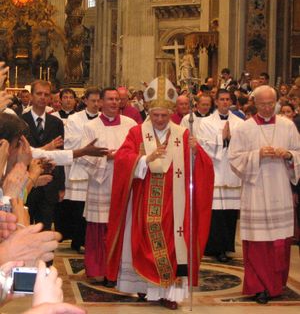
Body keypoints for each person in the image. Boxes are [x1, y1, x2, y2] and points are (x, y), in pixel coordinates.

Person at [106, 76, 214, 309]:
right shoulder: (137, 133)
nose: (160, 120)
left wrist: (196, 153)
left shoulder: (182, 134)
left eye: (164, 116)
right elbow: (122, 160)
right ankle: (146, 288)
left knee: (174, 246)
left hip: (175, 204)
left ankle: (169, 293)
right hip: (144, 199)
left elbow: (202, 168)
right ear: (148, 111)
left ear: (172, 113)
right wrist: (144, 159)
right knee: (142, 244)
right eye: (155, 115)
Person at [228, 85, 300, 304]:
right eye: (262, 104)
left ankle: (276, 285)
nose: (267, 108)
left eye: (271, 104)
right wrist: (257, 155)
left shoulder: (288, 126)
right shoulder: (244, 128)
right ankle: (259, 286)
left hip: (279, 188)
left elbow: (298, 152)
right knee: (258, 242)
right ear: (255, 104)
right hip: (256, 190)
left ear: (276, 102)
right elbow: (234, 159)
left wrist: (288, 154)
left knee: (279, 242)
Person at [80, 87, 136, 282]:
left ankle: (120, 269)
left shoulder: (130, 125)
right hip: (101, 183)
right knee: (100, 228)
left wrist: (122, 158)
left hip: (124, 183)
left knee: (121, 227)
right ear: (101, 103)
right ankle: (100, 269)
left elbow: (138, 151)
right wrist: (107, 158)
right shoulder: (91, 126)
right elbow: (84, 156)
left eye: (117, 99)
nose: (114, 102)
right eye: (109, 99)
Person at [196, 89, 243, 262]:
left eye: (227, 99)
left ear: (231, 101)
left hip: (231, 170)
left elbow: (243, 144)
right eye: (221, 99)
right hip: (214, 170)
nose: (224, 102)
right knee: (215, 212)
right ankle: (214, 247)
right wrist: (220, 139)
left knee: (230, 212)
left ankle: (227, 246)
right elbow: (202, 145)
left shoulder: (239, 122)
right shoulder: (206, 122)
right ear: (216, 102)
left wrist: (231, 139)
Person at [60, 87, 102, 253]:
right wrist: (90, 140)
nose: (96, 104)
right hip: (79, 168)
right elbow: (69, 142)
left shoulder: (103, 119)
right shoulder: (74, 119)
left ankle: (89, 241)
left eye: (99, 101)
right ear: (85, 101)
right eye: (93, 101)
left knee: (92, 207)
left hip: (97, 169)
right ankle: (77, 240)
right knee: (78, 209)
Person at [22, 80, 65, 231]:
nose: (42, 97)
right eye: (39, 93)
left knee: (45, 230)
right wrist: (48, 147)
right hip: (27, 183)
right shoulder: (21, 121)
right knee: (24, 229)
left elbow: (61, 156)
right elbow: (21, 154)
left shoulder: (56, 123)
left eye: (46, 94)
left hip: (49, 184)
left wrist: (61, 186)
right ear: (31, 96)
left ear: (50, 98)